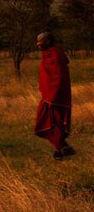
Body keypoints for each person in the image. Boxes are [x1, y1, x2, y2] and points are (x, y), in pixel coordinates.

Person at [34, 32, 74, 160]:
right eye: (37, 41)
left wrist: (53, 96)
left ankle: (58, 152)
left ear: (49, 41)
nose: (38, 44)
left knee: (55, 123)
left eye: (41, 41)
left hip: (56, 96)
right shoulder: (48, 54)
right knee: (45, 121)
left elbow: (58, 77)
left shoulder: (56, 55)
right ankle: (64, 146)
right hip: (49, 95)